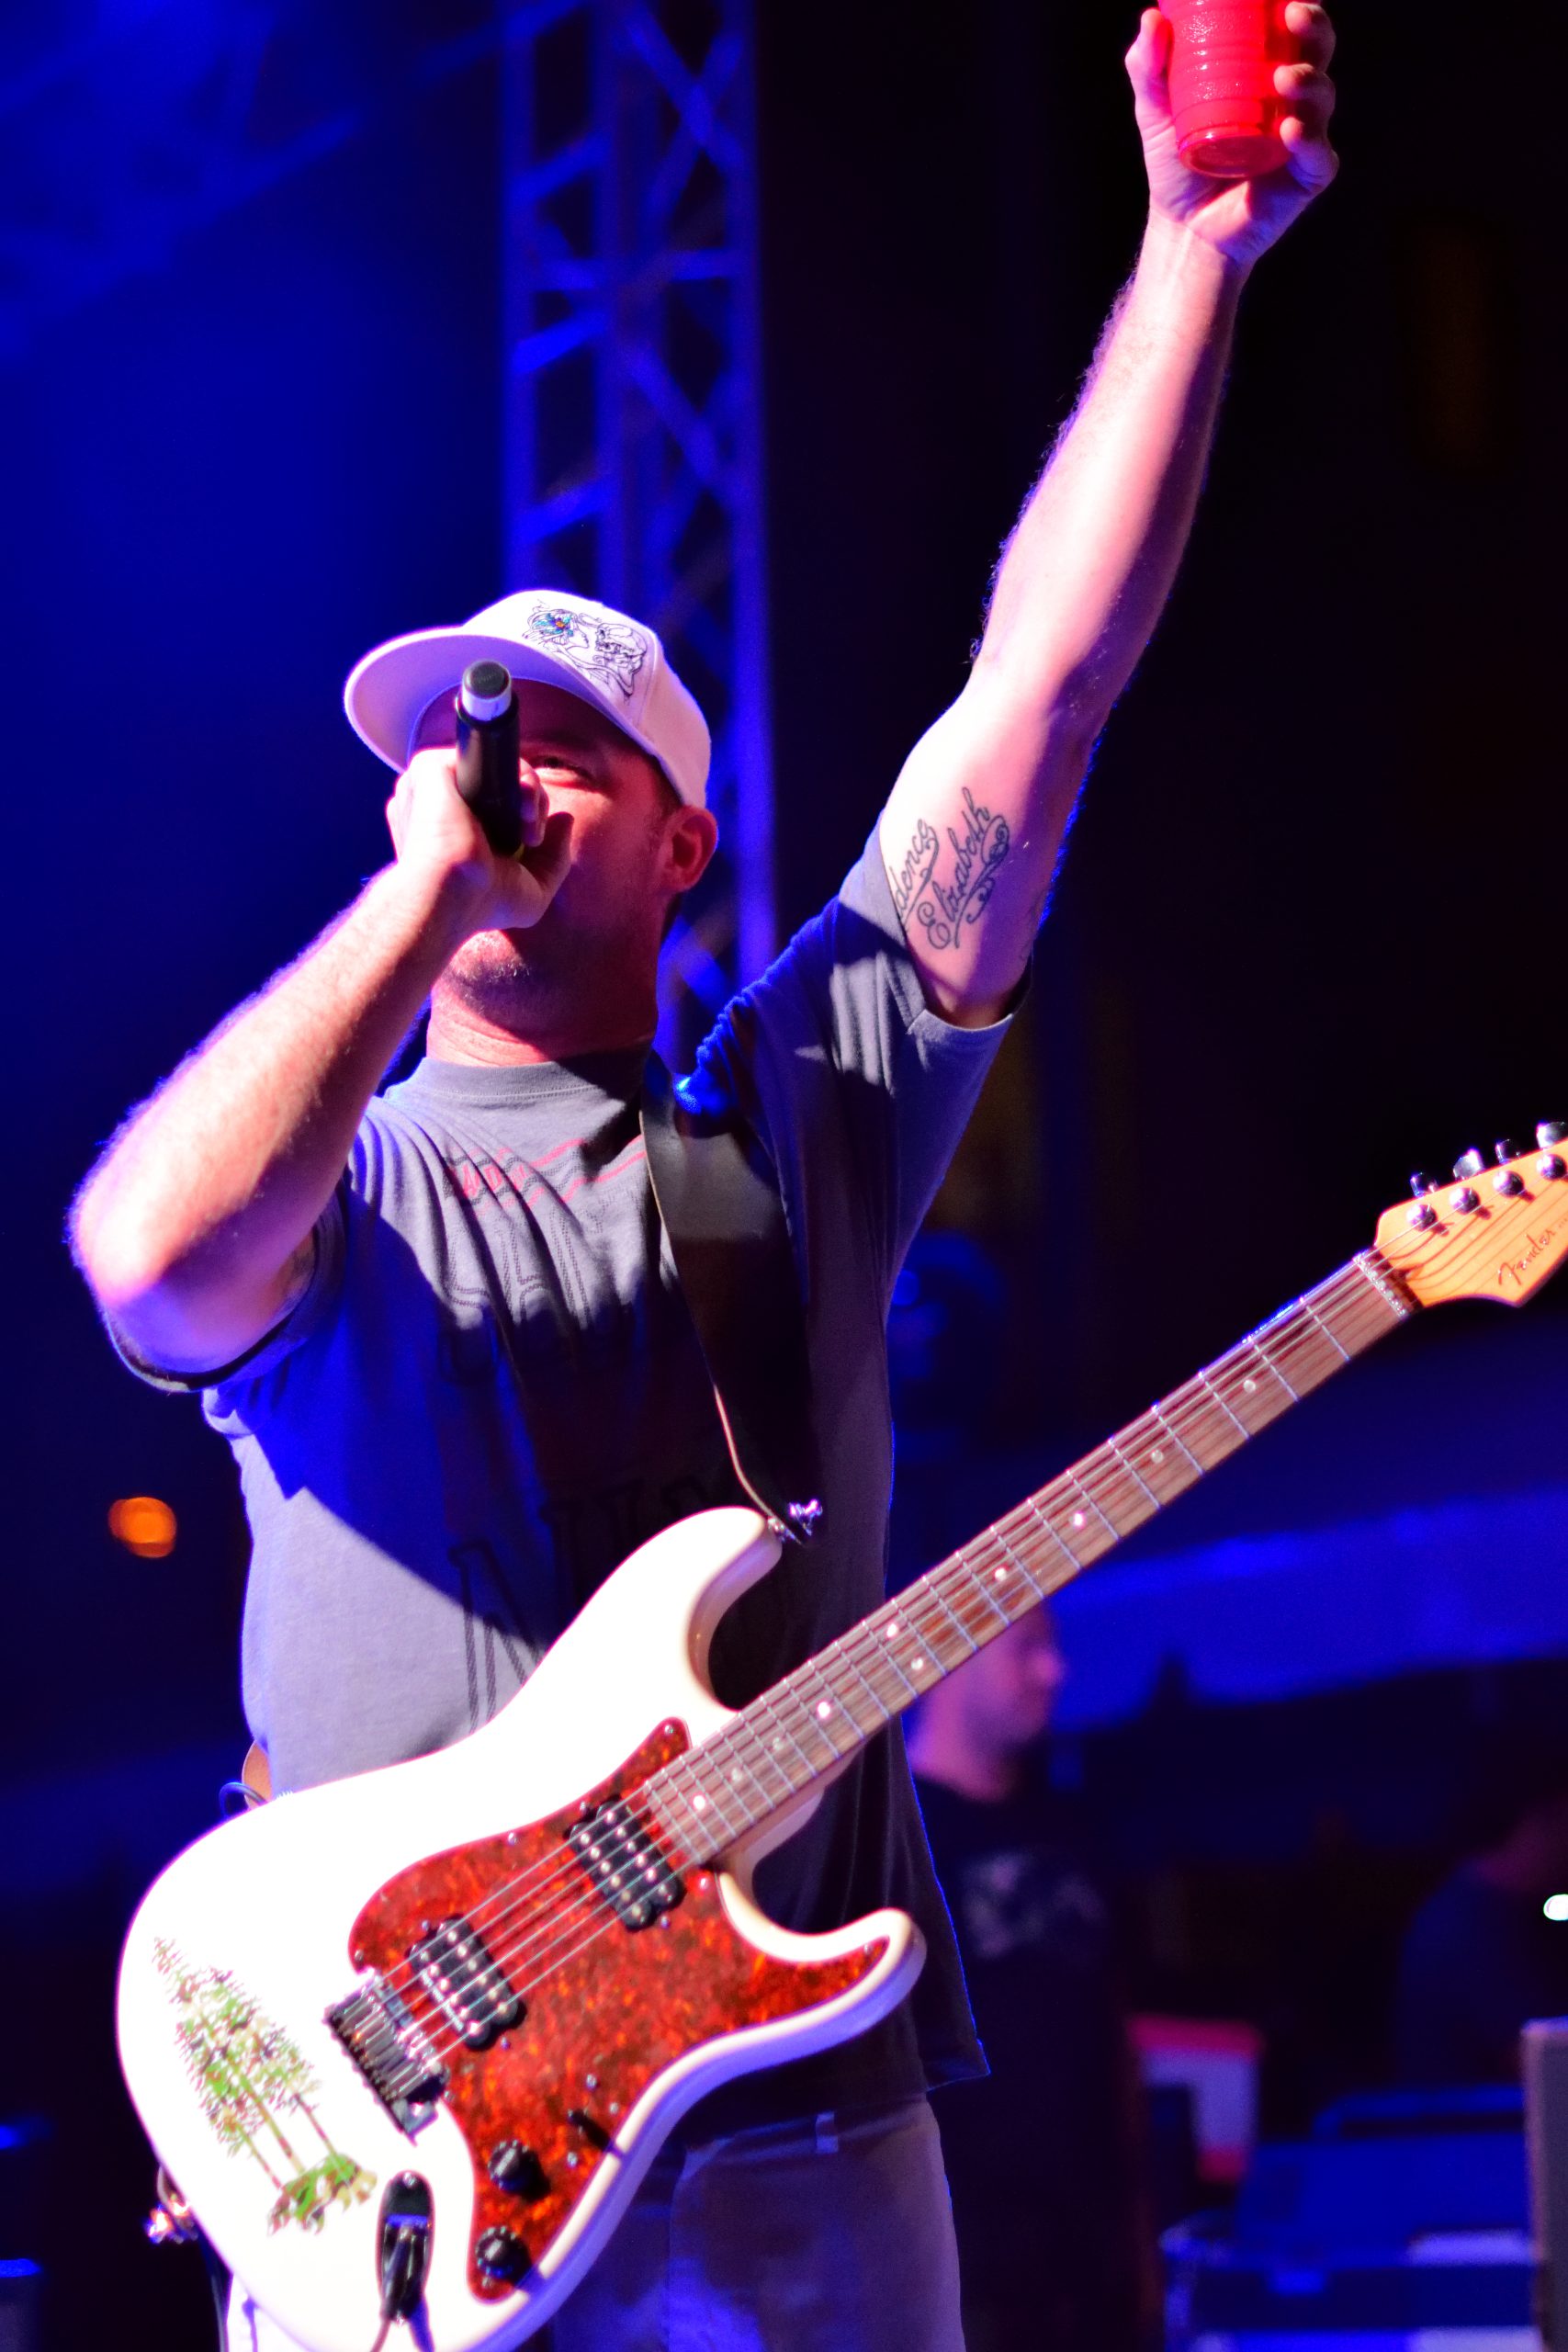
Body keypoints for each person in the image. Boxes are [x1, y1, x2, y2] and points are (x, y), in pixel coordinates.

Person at [71, 12, 1337, 2347]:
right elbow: (146, 1261)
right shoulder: (337, 1186)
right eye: (467, 744)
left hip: (792, 2140)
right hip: (403, 2150)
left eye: (573, 749)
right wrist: (414, 903)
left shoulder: (783, 1124)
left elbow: (1034, 700)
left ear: (683, 842)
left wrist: (1189, 248)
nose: (506, 769)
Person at [909, 1607, 1152, 2352]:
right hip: (958, 2269)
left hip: (1089, 2263)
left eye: (1053, 1647)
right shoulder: (889, 1843)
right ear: (948, 1652)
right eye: (1026, 1649)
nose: (1054, 1672)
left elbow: (1115, 2038)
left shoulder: (1075, 1828)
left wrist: (1140, 2236)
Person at [1396, 1744, 1568, 2089]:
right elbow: (1550, 2069)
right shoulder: (1469, 1930)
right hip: (1471, 2123)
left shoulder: (1492, 1912)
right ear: (1540, 1821)